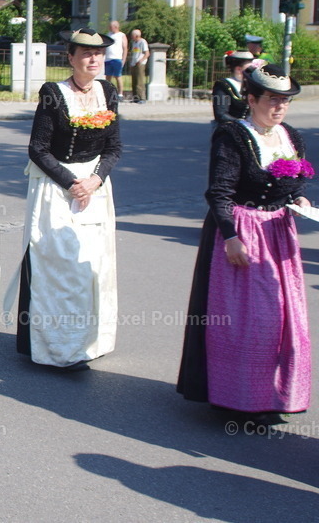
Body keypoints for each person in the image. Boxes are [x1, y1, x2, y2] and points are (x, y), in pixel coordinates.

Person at [177, 64, 311, 425]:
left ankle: (272, 393)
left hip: (279, 234)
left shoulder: (290, 136)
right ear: (251, 99)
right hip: (243, 230)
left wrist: (300, 200)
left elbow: (294, 184)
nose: (280, 107)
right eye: (272, 99)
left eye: (285, 101)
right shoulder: (233, 136)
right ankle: (236, 395)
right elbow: (218, 192)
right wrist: (231, 237)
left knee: (282, 318)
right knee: (247, 321)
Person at [10, 28, 122, 370]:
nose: (93, 59)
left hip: (95, 187)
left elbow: (114, 147)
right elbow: (38, 149)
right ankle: (57, 345)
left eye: (98, 53)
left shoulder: (108, 91)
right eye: (86, 53)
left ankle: (88, 341)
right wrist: (72, 183)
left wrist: (95, 179)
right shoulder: (53, 94)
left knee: (93, 265)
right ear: (71, 58)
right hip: (56, 187)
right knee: (60, 266)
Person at [212, 50, 253, 125]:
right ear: (238, 69)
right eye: (249, 69)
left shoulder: (251, 84)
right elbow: (221, 114)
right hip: (228, 128)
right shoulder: (223, 85)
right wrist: (242, 123)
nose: (252, 72)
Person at [103, 20, 128, 100]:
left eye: (111, 27)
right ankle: (108, 93)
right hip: (108, 59)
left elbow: (125, 48)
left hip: (117, 58)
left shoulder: (121, 35)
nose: (109, 28)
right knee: (108, 77)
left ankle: (120, 94)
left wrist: (123, 59)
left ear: (116, 27)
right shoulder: (108, 35)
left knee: (118, 76)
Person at [127, 28, 149, 103]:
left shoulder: (142, 42)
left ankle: (142, 98)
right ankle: (135, 97)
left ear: (136, 35)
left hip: (140, 63)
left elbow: (147, 53)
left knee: (140, 81)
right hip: (134, 63)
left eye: (132, 35)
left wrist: (141, 60)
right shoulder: (134, 43)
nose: (131, 37)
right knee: (134, 81)